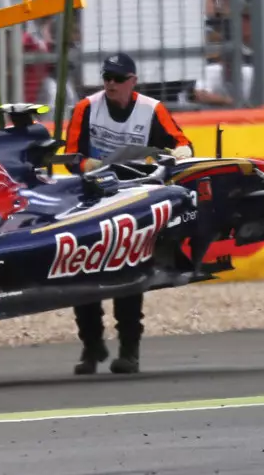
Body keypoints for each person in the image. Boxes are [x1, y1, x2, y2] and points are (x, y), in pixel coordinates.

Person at [64, 53, 194, 375]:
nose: (110, 83)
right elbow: (69, 155)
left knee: (128, 270)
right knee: (83, 271)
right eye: (107, 77)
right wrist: (86, 166)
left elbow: (181, 142)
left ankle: (129, 349)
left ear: (132, 82)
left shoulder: (152, 109)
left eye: (118, 79)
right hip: (93, 196)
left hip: (134, 198)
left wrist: (178, 154)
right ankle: (92, 345)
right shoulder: (85, 108)